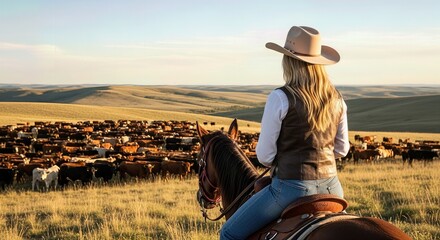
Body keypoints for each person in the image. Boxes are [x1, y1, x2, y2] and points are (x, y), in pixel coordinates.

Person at [220, 26, 350, 239]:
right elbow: (342, 149)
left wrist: (287, 160)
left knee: (229, 233)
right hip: (332, 188)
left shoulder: (281, 97)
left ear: (289, 61)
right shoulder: (336, 99)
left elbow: (264, 156)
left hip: (290, 189)